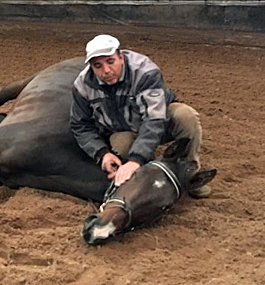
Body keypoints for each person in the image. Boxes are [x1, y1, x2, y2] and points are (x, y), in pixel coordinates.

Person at [70, 34, 210, 198]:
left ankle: (189, 173)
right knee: (122, 146)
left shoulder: (145, 72)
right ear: (91, 67)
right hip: (122, 129)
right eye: (98, 66)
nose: (106, 71)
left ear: (121, 57)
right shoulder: (82, 86)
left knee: (185, 116)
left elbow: (155, 119)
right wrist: (102, 153)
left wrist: (135, 159)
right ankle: (148, 181)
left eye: (110, 61)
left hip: (156, 119)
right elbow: (80, 125)